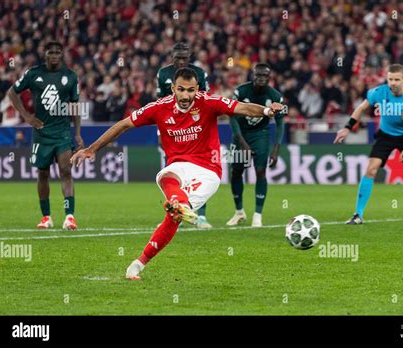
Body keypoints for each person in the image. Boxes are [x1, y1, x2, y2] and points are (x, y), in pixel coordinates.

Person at [70, 68, 283, 280]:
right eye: (180, 89)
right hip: (179, 166)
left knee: (174, 216)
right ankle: (180, 205)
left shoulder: (209, 102)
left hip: (208, 171)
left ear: (197, 89)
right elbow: (124, 124)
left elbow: (243, 108)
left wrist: (266, 112)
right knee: (165, 177)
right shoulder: (159, 108)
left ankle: (140, 261)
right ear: (173, 88)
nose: (185, 95)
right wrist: (92, 149)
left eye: (190, 90)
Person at [334, 64, 403, 224]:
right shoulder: (379, 92)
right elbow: (360, 108)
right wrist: (347, 128)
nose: (392, 83)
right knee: (371, 170)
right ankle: (357, 215)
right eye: (390, 79)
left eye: (397, 79)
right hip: (385, 135)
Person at [7, 41, 83, 230]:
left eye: (58, 52)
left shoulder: (70, 76)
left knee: (66, 171)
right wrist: (26, 116)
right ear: (45, 54)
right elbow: (12, 92)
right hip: (41, 133)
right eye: (51, 52)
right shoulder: (34, 74)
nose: (55, 55)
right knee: (43, 173)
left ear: (62, 54)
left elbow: (75, 106)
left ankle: (69, 217)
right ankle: (46, 217)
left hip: (63, 132)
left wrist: (78, 133)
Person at [156, 42, 212, 229]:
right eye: (178, 57)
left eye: (185, 58)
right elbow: (160, 104)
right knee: (172, 169)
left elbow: (206, 100)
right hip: (172, 126)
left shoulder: (199, 73)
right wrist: (160, 129)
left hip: (195, 124)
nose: (181, 61)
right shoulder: (163, 74)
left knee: (200, 170)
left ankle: (201, 215)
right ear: (172, 56)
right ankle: (177, 208)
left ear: (190, 57)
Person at [226, 63, 285, 227]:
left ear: (269, 78)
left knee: (260, 171)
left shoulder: (275, 96)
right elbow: (231, 116)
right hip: (241, 134)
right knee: (236, 172)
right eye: (258, 75)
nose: (261, 79)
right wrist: (241, 141)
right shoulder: (241, 91)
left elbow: (280, 123)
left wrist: (276, 149)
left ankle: (257, 215)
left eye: (264, 76)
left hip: (261, 135)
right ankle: (239, 212)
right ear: (253, 76)